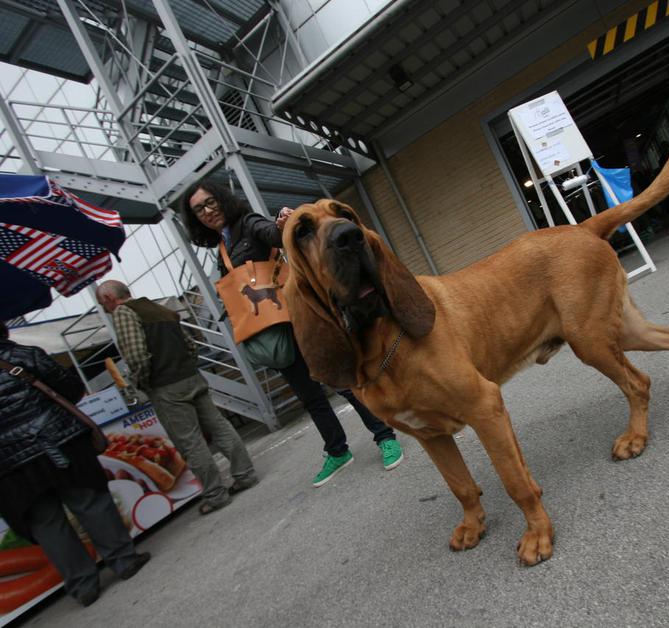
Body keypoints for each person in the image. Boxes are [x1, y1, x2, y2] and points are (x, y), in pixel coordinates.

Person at [178, 181, 403, 487]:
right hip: (273, 332)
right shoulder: (222, 248)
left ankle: (385, 436)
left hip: (298, 319)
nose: (207, 211)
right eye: (199, 210)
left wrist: (285, 223)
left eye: (210, 202)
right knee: (310, 397)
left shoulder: (248, 223)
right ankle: (337, 450)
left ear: (222, 200)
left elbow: (274, 235)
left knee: (342, 382)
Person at [0, 321, 150, 607]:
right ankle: (123, 560)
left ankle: (83, 586)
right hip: (59, 441)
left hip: (11, 466)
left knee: (46, 524)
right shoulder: (25, 355)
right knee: (89, 500)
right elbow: (71, 389)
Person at [96, 280, 258, 514]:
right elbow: (190, 345)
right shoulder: (159, 308)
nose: (106, 310)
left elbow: (137, 356)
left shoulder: (123, 313)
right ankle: (245, 475)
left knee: (191, 442)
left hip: (165, 386)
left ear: (109, 298)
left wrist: (142, 383)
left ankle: (215, 495)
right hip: (192, 377)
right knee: (220, 427)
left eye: (103, 305)